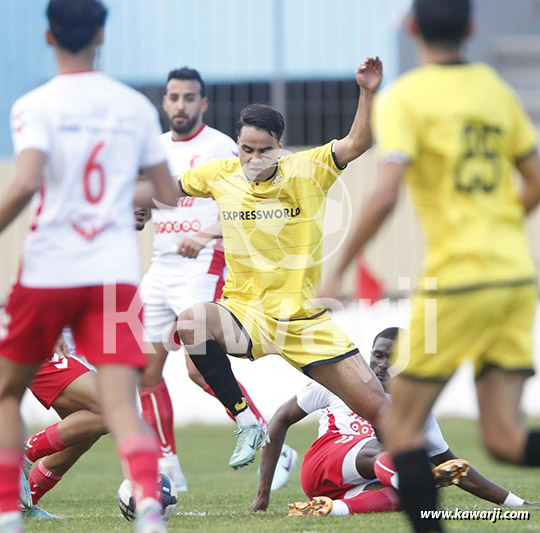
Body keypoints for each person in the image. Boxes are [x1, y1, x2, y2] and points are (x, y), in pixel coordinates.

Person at [319, 1, 540, 530]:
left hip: (460, 280)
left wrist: (339, 267)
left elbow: (384, 194)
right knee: (504, 438)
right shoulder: (495, 90)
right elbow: (535, 179)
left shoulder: (408, 97)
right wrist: (497, 226)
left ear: (412, 28)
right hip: (514, 277)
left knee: (402, 426)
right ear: (472, 28)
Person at [0, 1, 178, 531]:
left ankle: (8, 514)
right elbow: (167, 193)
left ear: (47, 36)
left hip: (49, 270)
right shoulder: (134, 107)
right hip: (111, 274)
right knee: (120, 404)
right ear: (102, 35)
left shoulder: (34, 105)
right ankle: (150, 510)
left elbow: (26, 184)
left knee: (9, 393)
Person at [173, 57, 389, 470]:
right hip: (246, 314)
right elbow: (166, 187)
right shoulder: (219, 174)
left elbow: (357, 143)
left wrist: (367, 91)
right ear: (237, 146)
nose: (254, 159)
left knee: (378, 407)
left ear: (280, 145)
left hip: (304, 320)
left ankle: (431, 470)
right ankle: (245, 419)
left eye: (264, 150)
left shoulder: (308, 168)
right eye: (246, 150)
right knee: (192, 322)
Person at [136, 67, 270, 490]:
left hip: (204, 265)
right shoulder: (154, 149)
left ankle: (268, 440)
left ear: (203, 103)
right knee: (144, 371)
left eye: (189, 97)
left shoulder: (222, 147)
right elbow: (146, 202)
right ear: (165, 102)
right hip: (160, 267)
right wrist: (137, 213)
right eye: (174, 97)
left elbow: (246, 206)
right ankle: (168, 466)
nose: (181, 105)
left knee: (198, 370)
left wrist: (205, 234)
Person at [253, 327, 538, 517]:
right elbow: (281, 418)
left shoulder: (417, 409)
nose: (382, 364)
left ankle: (329, 508)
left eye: (393, 358)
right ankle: (415, 479)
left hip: (351, 484)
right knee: (388, 452)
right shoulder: (341, 381)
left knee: (397, 497)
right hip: (321, 465)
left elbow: (454, 467)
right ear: (368, 355)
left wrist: (517, 503)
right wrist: (263, 494)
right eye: (377, 355)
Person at [20, 334, 107, 519]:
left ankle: (21, 504)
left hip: (70, 352)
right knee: (113, 409)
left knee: (85, 431)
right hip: (44, 342)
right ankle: (23, 453)